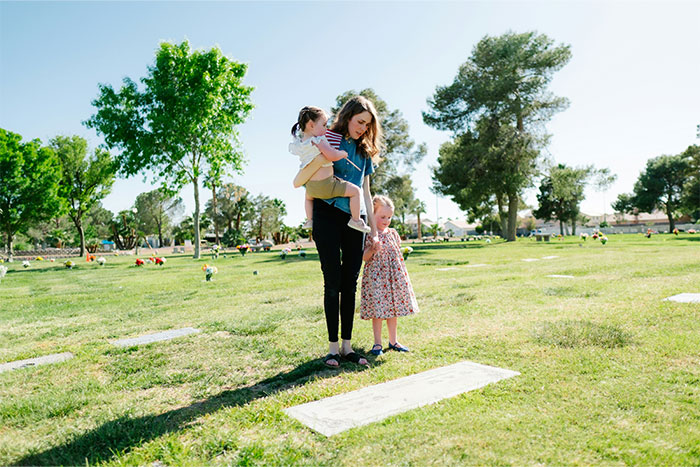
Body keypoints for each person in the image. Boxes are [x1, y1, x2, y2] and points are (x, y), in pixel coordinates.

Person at [294, 96, 382, 368]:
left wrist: (374, 230)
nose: (363, 129)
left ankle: (347, 346)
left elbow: (365, 191)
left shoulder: (365, 151)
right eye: (360, 122)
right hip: (326, 214)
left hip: (356, 220)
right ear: (348, 117)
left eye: (367, 125)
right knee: (332, 281)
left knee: (350, 282)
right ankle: (332, 348)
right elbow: (304, 175)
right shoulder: (328, 137)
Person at [289, 106, 371, 233]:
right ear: (311, 124)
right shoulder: (319, 140)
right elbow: (331, 155)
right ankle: (356, 220)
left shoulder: (300, 143)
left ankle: (309, 220)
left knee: (308, 198)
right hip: (327, 185)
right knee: (355, 191)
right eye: (324, 125)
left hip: (311, 187)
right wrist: (342, 154)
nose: (326, 129)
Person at [360, 195, 419, 356]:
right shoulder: (370, 234)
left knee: (393, 310)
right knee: (379, 312)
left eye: (389, 217)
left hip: (393, 278)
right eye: (382, 217)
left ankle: (393, 341)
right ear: (373, 215)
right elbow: (364, 258)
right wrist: (372, 249)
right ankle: (377, 343)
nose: (386, 220)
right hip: (377, 279)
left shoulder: (392, 233)